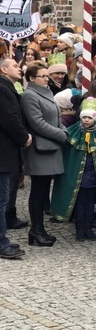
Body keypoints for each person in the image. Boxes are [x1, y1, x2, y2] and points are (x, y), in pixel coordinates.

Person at [21, 61, 68, 247]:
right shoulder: (30, 96)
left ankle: (39, 230)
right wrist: (62, 135)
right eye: (43, 76)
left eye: (47, 76)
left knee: (42, 191)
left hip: (51, 147)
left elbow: (56, 118)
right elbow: (37, 123)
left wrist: (64, 130)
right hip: (41, 149)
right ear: (32, 78)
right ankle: (36, 230)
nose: (47, 79)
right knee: (38, 191)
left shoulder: (45, 92)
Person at [51, 97, 96, 241]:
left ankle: (88, 228)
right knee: (79, 203)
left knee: (90, 203)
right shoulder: (74, 131)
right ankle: (79, 229)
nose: (86, 120)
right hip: (77, 176)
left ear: (95, 118)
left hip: (94, 176)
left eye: (89, 118)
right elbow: (67, 153)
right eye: (84, 117)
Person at [0, 58, 31, 259]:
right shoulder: (2, 89)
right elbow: (10, 117)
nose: (19, 68)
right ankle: (1, 243)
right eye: (14, 65)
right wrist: (24, 137)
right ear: (3, 69)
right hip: (3, 153)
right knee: (1, 199)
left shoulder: (7, 86)